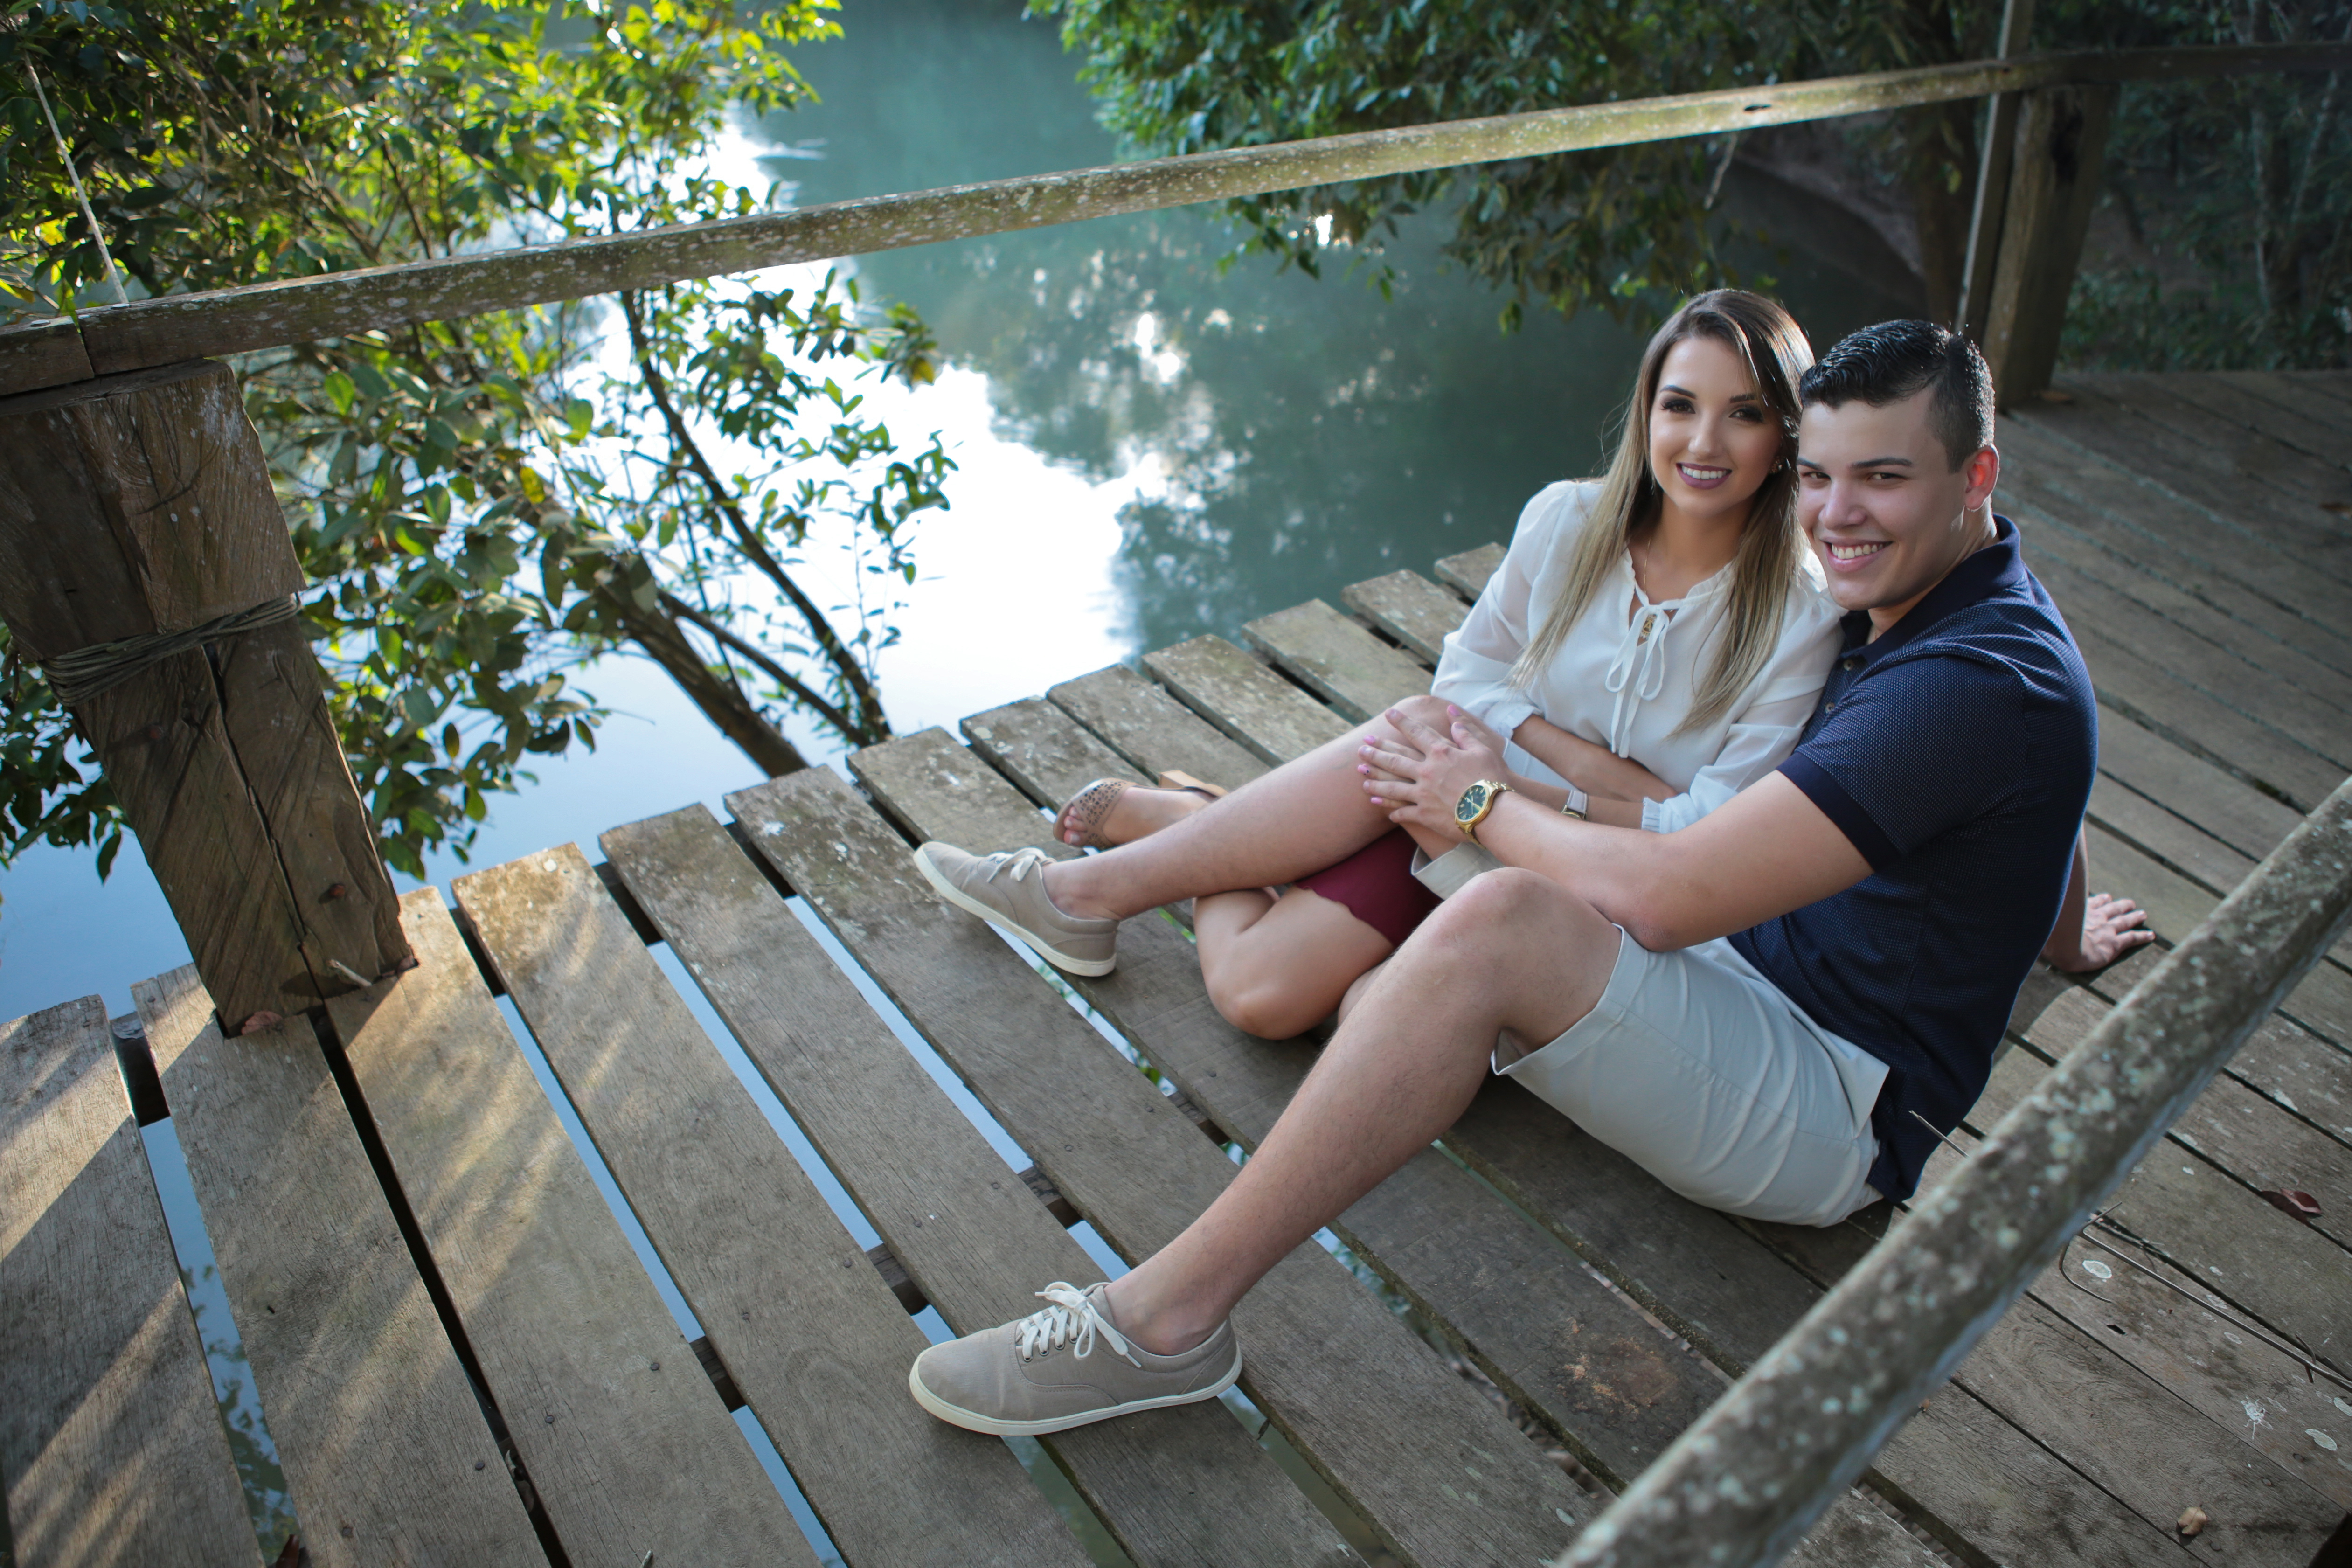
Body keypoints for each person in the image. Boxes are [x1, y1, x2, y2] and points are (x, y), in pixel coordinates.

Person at [900, 320, 2151, 1441]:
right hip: (1753, 966)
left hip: (1835, 1101)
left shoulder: (1963, 680)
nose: (1834, 515)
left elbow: (1669, 894)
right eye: (1820, 476)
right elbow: (2045, 785)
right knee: (1425, 741)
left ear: (1973, 475)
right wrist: (2058, 938)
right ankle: (1099, 887)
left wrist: (1482, 803)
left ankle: (1160, 1324)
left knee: (1495, 909)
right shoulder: (1959, 604)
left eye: (1881, 476)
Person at [1042, 288, 1845, 1041]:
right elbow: (1462, 685)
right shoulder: (1567, 520)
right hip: (1455, 811)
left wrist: (1527, 783)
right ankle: (1199, 838)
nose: (1704, 442)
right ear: (1647, 411)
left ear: (1786, 436)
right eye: (1681, 406)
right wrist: (1598, 775)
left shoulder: (1803, 617)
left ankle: (1207, 822)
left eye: (1744, 414)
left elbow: (1716, 828)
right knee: (1261, 993)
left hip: (1592, 883)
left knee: (1366, 1021)